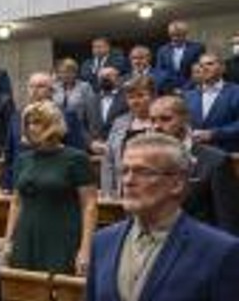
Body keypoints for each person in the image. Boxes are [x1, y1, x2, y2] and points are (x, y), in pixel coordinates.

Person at [78, 133, 239, 301]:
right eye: (125, 171)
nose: (128, 181)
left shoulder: (220, 252)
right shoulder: (103, 242)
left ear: (177, 183)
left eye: (143, 172)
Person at [4, 101, 98, 275]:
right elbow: (16, 203)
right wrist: (8, 240)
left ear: (53, 125)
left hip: (62, 237)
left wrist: (86, 249)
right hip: (26, 236)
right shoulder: (23, 159)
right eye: (28, 123)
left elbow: (89, 205)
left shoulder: (76, 158)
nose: (31, 128)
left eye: (37, 122)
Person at [150, 95, 239, 235]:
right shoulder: (145, 160)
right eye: (153, 120)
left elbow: (227, 222)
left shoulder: (215, 161)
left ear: (185, 119)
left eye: (165, 119)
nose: (157, 126)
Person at [99, 76, 155, 198]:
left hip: (152, 192)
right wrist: (108, 193)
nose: (135, 101)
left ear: (153, 96)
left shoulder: (160, 123)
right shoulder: (119, 122)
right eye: (131, 97)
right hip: (122, 191)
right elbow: (108, 160)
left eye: (140, 96)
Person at [184, 53, 239, 152]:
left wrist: (214, 134)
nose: (204, 68)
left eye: (210, 64)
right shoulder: (188, 96)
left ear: (223, 68)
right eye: (201, 65)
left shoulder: (236, 92)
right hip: (194, 153)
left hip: (227, 153)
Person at [155, 20, 205, 91]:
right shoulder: (163, 50)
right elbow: (160, 72)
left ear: (185, 34)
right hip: (168, 89)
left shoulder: (197, 48)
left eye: (178, 35)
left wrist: (185, 88)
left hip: (191, 89)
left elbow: (199, 71)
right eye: (172, 35)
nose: (175, 38)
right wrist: (169, 88)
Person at [85, 67, 128, 148]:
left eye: (108, 76)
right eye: (101, 77)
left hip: (120, 146)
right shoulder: (90, 100)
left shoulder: (127, 98)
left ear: (118, 79)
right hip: (95, 148)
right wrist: (91, 142)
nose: (104, 78)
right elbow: (84, 125)